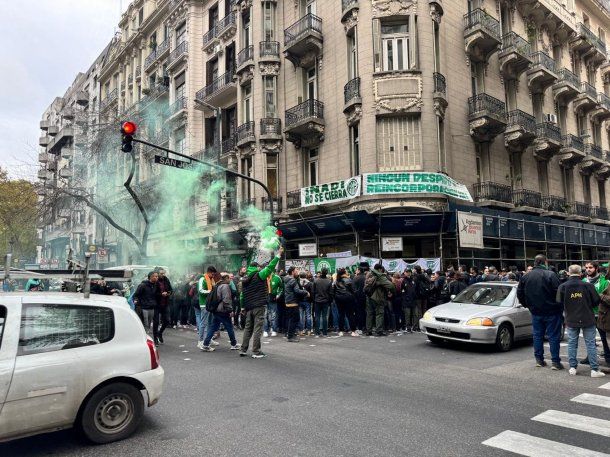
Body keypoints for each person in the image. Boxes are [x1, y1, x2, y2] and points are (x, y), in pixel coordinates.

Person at [557, 264, 605, 377]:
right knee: (590, 344)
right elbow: (596, 301)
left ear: (569, 273)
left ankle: (573, 367)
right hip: (587, 317)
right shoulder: (588, 286)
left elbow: (558, 302)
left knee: (572, 344)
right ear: (580, 273)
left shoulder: (563, 286)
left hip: (571, 318)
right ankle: (594, 369)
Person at [517, 254, 563, 369]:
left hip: (536, 311)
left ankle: (539, 360)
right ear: (545, 262)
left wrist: (527, 305)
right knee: (553, 336)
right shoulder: (551, 275)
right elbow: (559, 293)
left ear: (535, 262)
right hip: (552, 311)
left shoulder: (526, 276)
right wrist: (559, 306)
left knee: (537, 336)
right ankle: (555, 362)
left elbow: (520, 294)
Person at [240, 247, 283, 359]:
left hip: (248, 307)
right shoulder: (259, 275)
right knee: (258, 329)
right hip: (259, 305)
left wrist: (242, 307)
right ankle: (256, 351)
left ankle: (243, 350)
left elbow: (241, 296)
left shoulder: (244, 279)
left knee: (248, 328)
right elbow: (270, 268)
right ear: (257, 267)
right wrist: (278, 255)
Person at [201, 273, 241, 352]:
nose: (230, 280)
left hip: (216, 310)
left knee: (213, 327)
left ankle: (205, 344)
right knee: (229, 327)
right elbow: (226, 300)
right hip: (223, 310)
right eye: (229, 278)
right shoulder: (225, 286)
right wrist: (230, 310)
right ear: (226, 278)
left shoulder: (217, 285)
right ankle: (234, 344)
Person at [582, 262, 610, 366]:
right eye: (587, 268)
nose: (588, 269)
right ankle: (590, 357)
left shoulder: (605, 281)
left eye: (590, 267)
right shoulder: (584, 281)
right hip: (588, 314)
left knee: (604, 338)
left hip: (601, 314)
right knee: (589, 338)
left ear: (596, 268)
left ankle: (608, 357)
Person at [365, 264, 395, 336]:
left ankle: (368, 331)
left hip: (368, 296)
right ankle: (379, 331)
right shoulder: (380, 276)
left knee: (369, 314)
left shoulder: (369, 274)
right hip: (378, 297)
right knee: (379, 314)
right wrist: (392, 291)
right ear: (380, 269)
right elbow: (391, 285)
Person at [284, 266, 309, 342]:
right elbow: (297, 291)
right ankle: (290, 336)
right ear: (292, 272)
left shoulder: (286, 279)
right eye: (296, 271)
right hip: (293, 302)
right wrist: (306, 292)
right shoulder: (293, 280)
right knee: (294, 319)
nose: (297, 272)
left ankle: (289, 334)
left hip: (288, 301)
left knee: (291, 319)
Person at [133, 271, 159, 342]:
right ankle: (143, 340)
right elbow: (136, 295)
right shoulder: (143, 285)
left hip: (152, 308)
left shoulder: (156, 285)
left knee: (148, 325)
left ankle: (144, 338)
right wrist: (135, 300)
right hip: (144, 307)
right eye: (155, 276)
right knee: (145, 324)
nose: (157, 278)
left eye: (157, 276)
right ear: (150, 277)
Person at [197, 267, 217, 350]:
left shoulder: (211, 280)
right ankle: (200, 341)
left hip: (211, 304)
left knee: (210, 323)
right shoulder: (202, 279)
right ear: (209, 272)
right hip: (204, 304)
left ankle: (209, 338)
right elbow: (200, 290)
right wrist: (211, 292)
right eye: (212, 274)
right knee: (203, 323)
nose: (213, 275)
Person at [333, 268, 357, 337]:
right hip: (348, 299)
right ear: (344, 273)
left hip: (339, 299)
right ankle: (353, 331)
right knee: (350, 315)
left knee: (341, 315)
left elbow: (333, 291)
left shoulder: (336, 281)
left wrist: (336, 298)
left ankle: (341, 331)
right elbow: (353, 290)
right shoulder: (349, 280)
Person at [154, 268, 172, 344]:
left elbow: (171, 290)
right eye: (161, 273)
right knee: (156, 322)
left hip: (165, 303)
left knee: (167, 320)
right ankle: (155, 339)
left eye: (164, 273)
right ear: (158, 274)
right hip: (157, 304)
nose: (163, 275)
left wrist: (168, 293)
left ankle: (160, 332)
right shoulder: (155, 281)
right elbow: (153, 293)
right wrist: (161, 294)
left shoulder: (166, 280)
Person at [313, 268, 332, 337]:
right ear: (326, 273)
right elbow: (330, 293)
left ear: (321, 272)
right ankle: (324, 333)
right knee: (325, 317)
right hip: (325, 301)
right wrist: (330, 301)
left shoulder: (316, 281)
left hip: (317, 300)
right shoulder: (329, 281)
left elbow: (313, 292)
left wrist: (314, 299)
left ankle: (317, 333)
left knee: (317, 316)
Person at [263, 270, 283, 337]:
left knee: (273, 315)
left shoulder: (277, 277)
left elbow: (281, 287)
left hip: (273, 298)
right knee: (265, 315)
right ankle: (265, 330)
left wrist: (278, 295)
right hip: (264, 298)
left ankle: (274, 329)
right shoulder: (263, 277)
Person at [353, 262, 369, 333]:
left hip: (358, 298)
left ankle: (360, 327)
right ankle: (365, 326)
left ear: (359, 271)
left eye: (356, 270)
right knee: (365, 312)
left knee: (359, 313)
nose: (356, 271)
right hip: (366, 297)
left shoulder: (356, 278)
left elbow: (353, 289)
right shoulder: (366, 277)